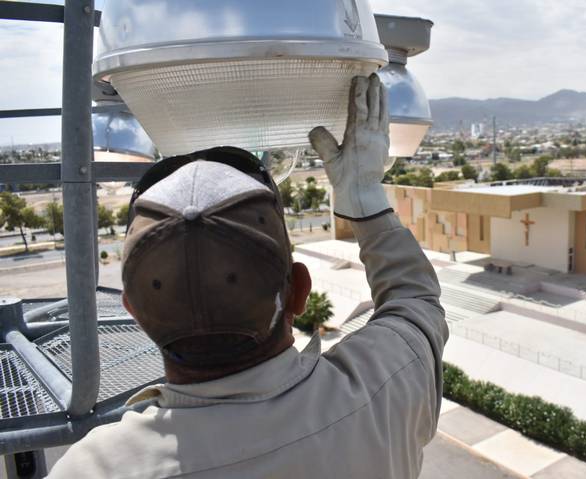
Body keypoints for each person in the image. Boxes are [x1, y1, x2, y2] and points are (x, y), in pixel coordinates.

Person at [48, 74, 448, 478]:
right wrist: (364, 197)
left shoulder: (92, 468)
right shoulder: (385, 384)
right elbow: (415, 299)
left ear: (134, 311)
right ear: (299, 291)